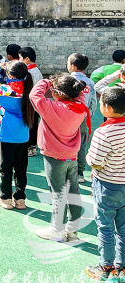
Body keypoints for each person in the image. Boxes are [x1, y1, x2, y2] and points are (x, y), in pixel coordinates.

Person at [30, 74, 88, 242]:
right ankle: (72, 231)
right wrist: (56, 84)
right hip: (72, 156)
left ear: (57, 93)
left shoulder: (51, 107)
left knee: (57, 194)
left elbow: (34, 94)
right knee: (73, 192)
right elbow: (80, 93)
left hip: (54, 157)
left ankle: (56, 231)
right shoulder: (80, 106)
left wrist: (47, 81)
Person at [0, 59, 36, 211]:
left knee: (5, 168)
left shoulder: (5, 90)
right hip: (22, 134)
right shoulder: (29, 89)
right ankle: (20, 199)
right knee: (20, 169)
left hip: (5, 133)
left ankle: (5, 197)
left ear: (10, 76)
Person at [85, 87, 125, 283]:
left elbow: (94, 161)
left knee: (106, 228)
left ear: (107, 107)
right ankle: (122, 268)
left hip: (108, 185)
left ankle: (106, 268)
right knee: (123, 229)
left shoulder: (104, 132)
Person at [67, 53, 97, 184]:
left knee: (66, 143)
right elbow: (93, 103)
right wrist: (88, 115)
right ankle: (80, 172)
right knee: (81, 144)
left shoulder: (66, 80)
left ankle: (67, 171)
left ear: (73, 66)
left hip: (67, 117)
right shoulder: (90, 82)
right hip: (83, 117)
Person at [19, 46, 42, 157]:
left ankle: (28, 147)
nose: (19, 60)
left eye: (20, 58)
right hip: (37, 103)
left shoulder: (27, 72)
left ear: (27, 59)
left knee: (27, 124)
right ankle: (33, 147)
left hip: (28, 102)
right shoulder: (38, 71)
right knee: (34, 125)